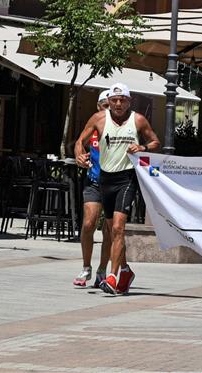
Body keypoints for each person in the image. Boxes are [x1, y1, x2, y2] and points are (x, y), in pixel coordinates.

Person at [74, 83, 160, 295]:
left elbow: (155, 141)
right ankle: (125, 270)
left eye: (123, 100)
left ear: (129, 101)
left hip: (127, 178)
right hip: (105, 179)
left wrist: (143, 147)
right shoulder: (98, 119)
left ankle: (112, 277)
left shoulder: (138, 120)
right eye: (114, 100)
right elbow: (80, 141)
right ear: (108, 102)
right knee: (110, 228)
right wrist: (79, 155)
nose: (118, 104)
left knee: (118, 228)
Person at [73, 89, 113, 288]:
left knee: (110, 230)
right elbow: (79, 142)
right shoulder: (94, 125)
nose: (108, 110)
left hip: (115, 184)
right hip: (94, 181)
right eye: (105, 106)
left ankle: (102, 270)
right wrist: (80, 156)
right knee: (88, 224)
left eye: (111, 105)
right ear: (98, 107)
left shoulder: (122, 127)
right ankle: (86, 266)